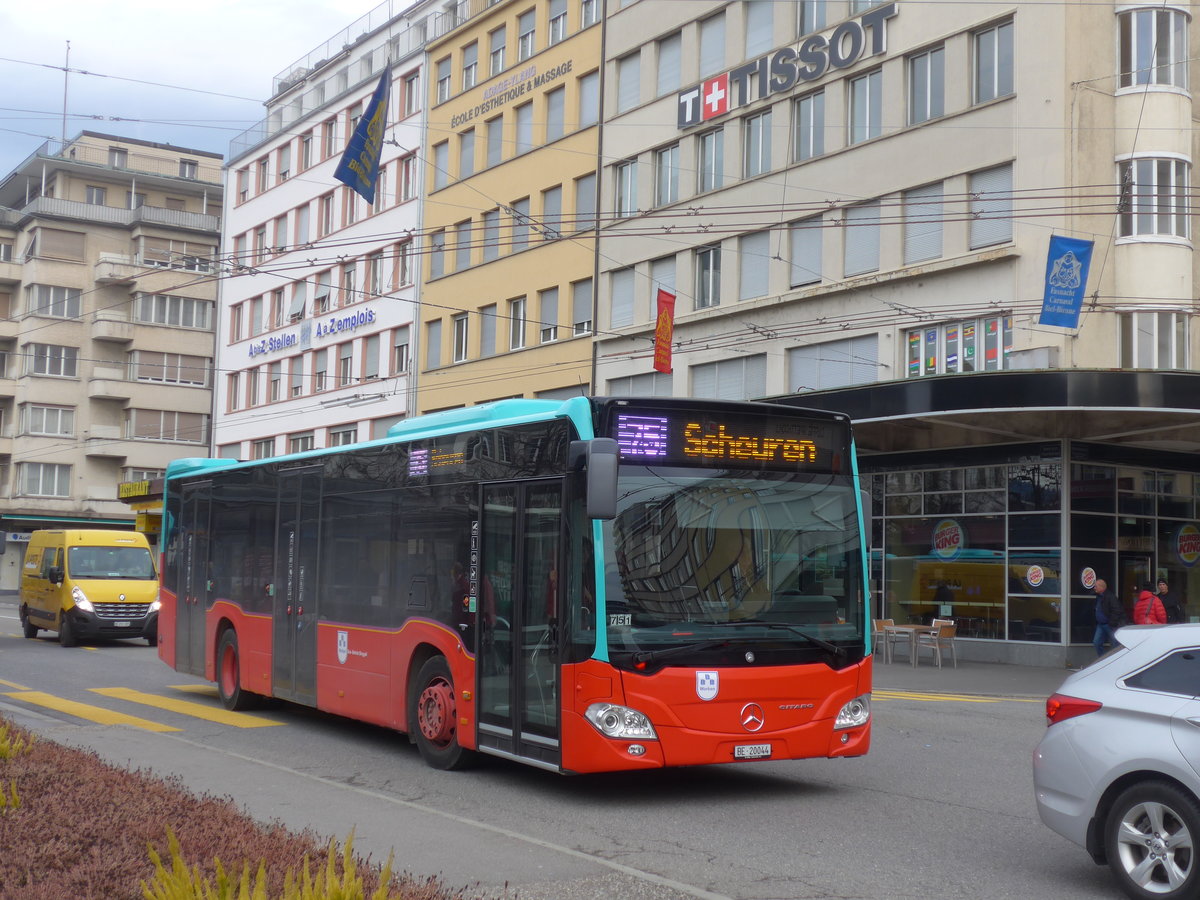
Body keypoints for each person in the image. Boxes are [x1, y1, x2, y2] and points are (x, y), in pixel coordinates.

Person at [1092, 579, 1126, 656]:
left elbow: (1117, 610)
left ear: (1102, 587)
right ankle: (1102, 659)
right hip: (1100, 624)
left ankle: (1115, 661)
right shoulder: (1098, 597)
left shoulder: (1110, 597)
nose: (1094, 588)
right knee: (1096, 642)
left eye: (1096, 586)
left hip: (1109, 624)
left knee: (1115, 644)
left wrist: (1112, 622)